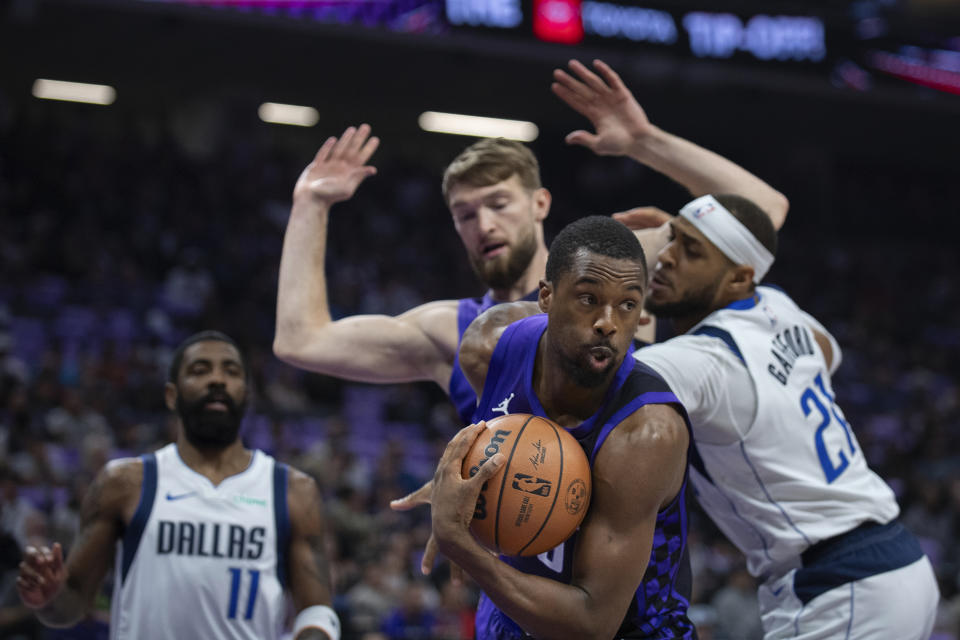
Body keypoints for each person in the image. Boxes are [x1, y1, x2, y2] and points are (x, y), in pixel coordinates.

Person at [272, 59, 789, 427]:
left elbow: (763, 211)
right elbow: (302, 342)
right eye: (465, 214)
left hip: (640, 560)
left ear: (540, 204)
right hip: (516, 567)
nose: (484, 224)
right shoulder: (450, 331)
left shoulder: (617, 260)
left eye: (499, 204)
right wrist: (310, 205)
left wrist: (643, 142)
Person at [630, 193, 940, 638]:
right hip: (888, 564)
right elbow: (828, 351)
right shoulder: (777, 306)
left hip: (840, 585)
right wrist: (646, 142)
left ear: (739, 278)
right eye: (672, 239)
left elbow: (584, 372)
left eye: (691, 250)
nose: (665, 257)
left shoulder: (703, 360)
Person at [427, 215, 696, 639]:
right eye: (588, 299)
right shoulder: (489, 348)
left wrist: (456, 539)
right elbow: (496, 441)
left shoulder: (645, 433)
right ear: (547, 297)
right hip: (514, 614)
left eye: (627, 304)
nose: (608, 322)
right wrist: (458, 491)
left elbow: (593, 624)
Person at [16, 331, 340, 640]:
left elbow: (315, 610)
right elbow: (70, 606)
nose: (217, 379)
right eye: (200, 370)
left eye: (231, 371)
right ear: (172, 395)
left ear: (246, 393)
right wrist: (49, 597)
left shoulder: (291, 491)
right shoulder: (125, 483)